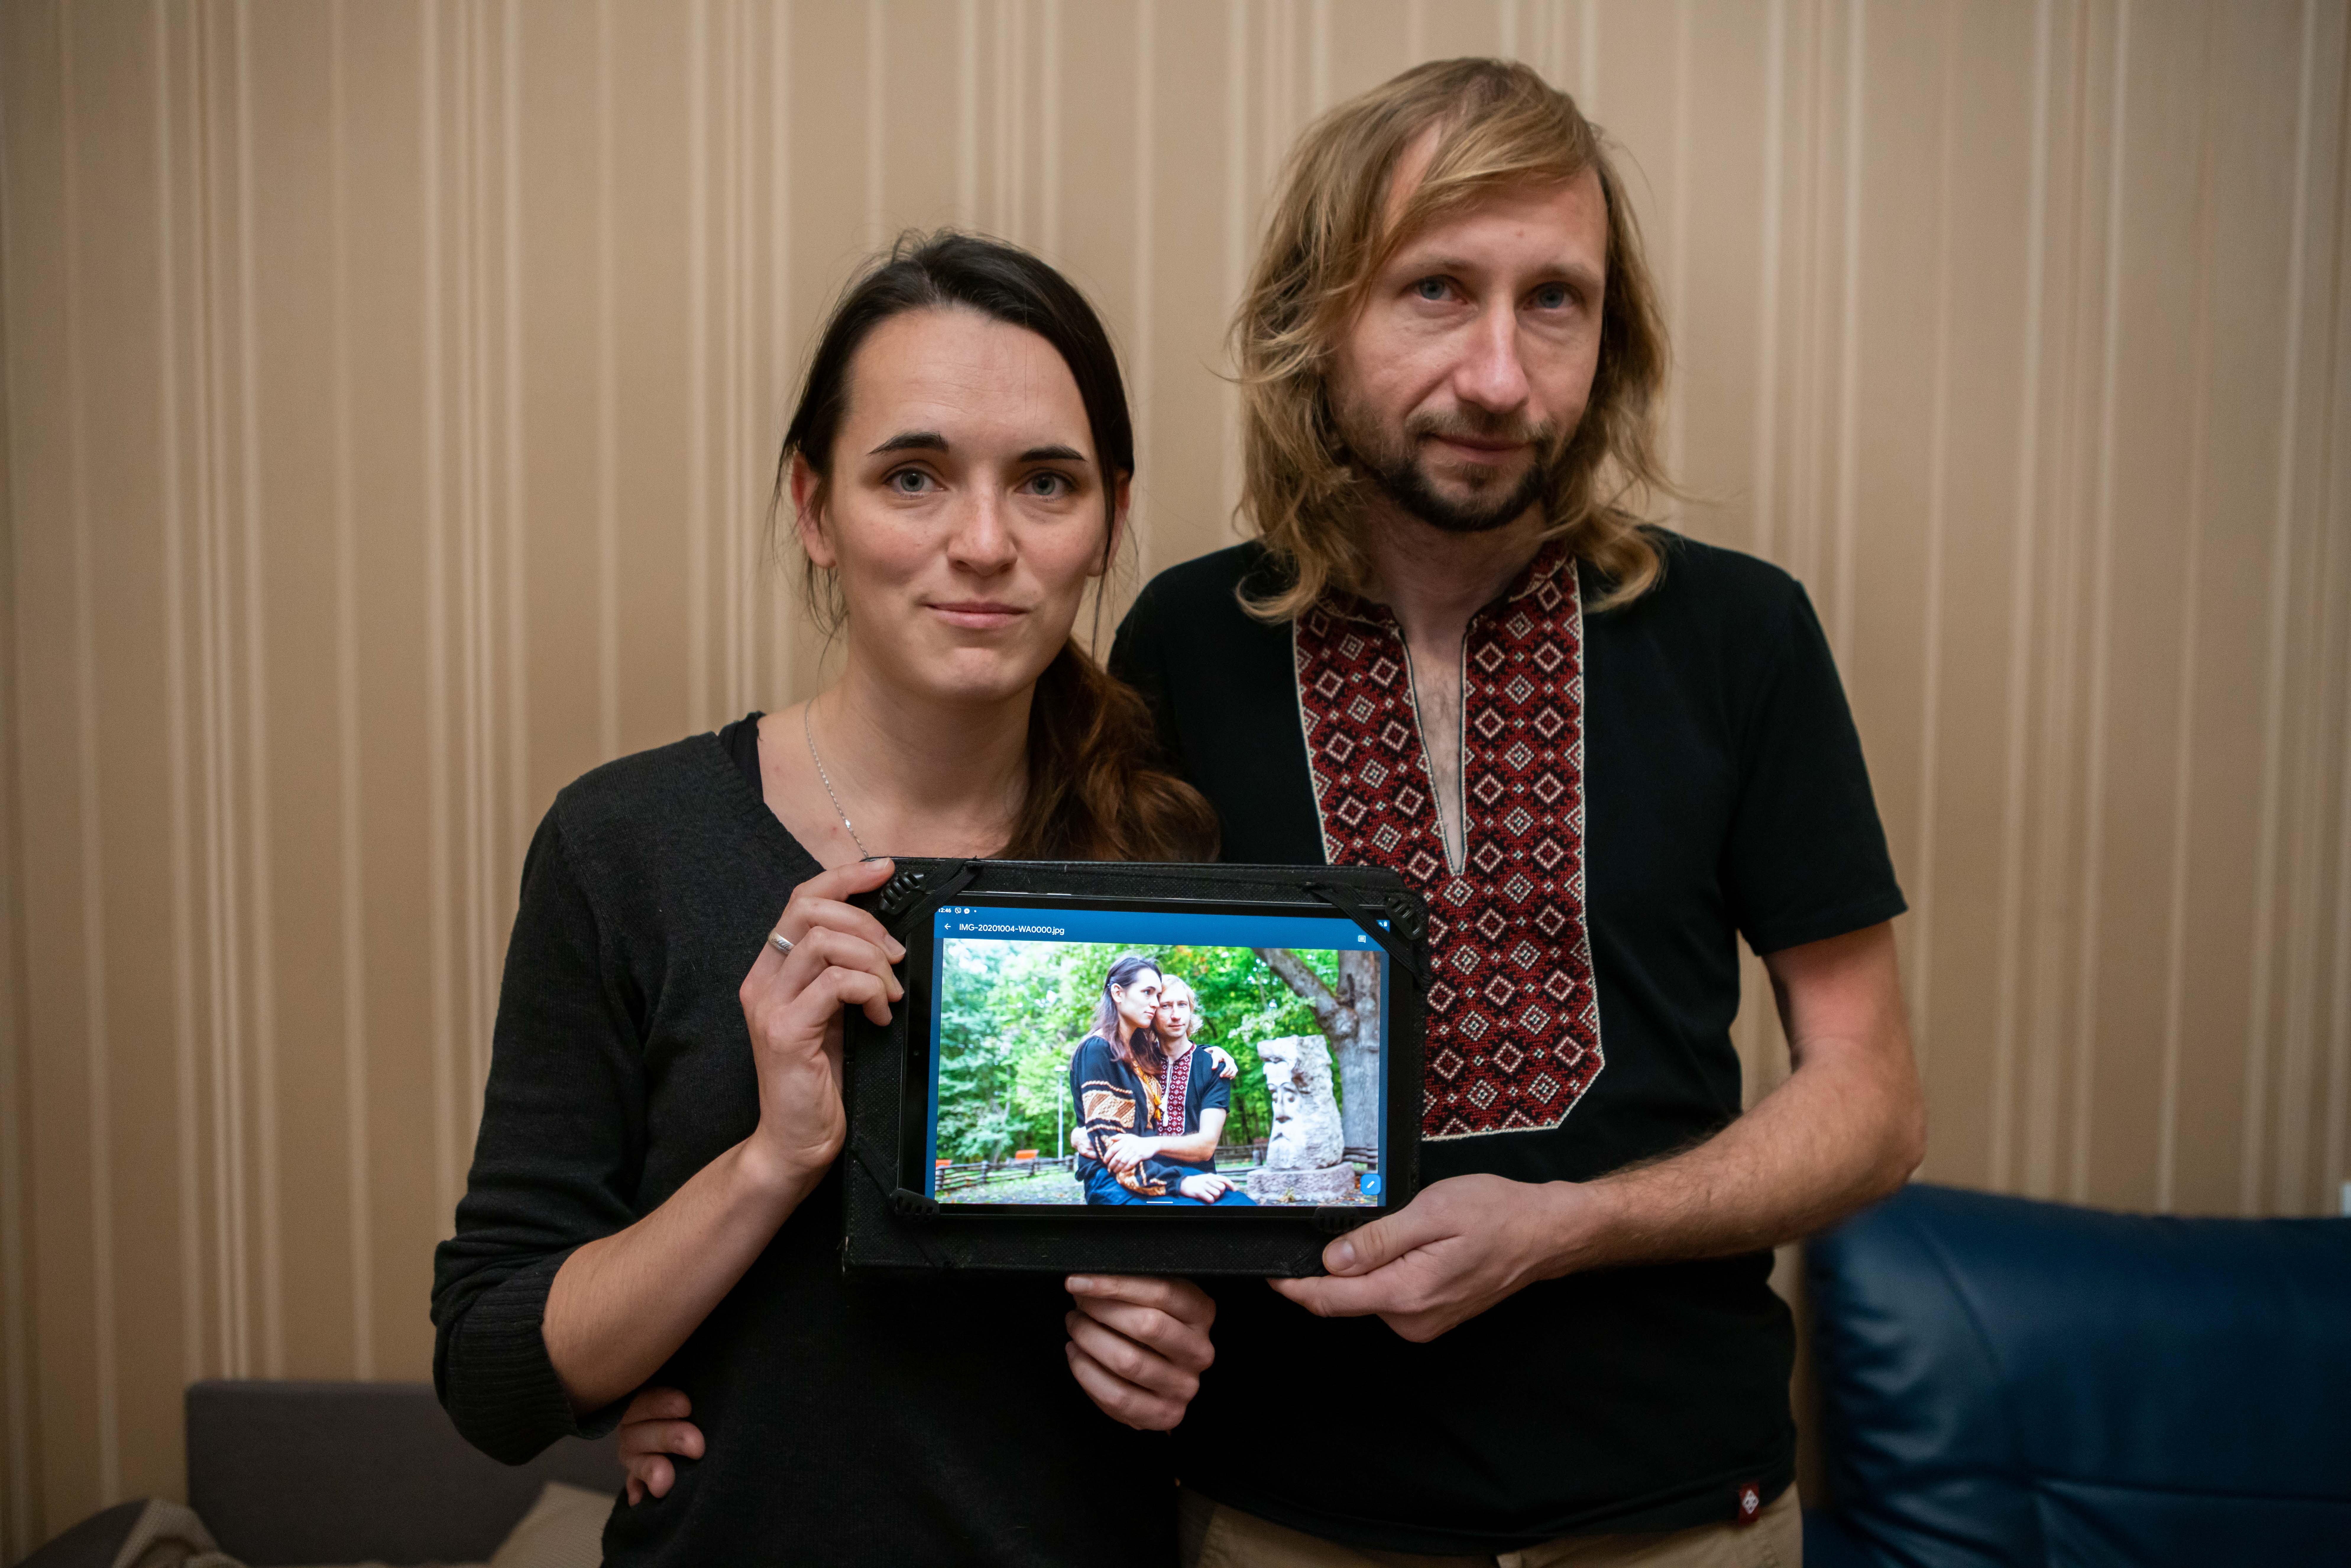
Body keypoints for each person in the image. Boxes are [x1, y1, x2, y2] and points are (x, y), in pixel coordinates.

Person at [1108, 59, 1928, 1566]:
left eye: (1555, 300)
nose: (1500, 375)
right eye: (1435, 289)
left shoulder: (1741, 637)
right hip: (1285, 1515)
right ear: (1318, 317)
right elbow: (1108, 1068)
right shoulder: (1180, 647)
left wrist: (1571, 1225)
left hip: (1684, 1512)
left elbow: (1873, 1100)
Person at [432, 232, 1225, 1566]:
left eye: (1044, 483)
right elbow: (498, 1379)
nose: (982, 543)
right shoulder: (625, 845)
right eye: (912, 477)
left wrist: (1194, 1344)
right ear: (812, 506)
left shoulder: (1170, 861)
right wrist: (768, 1164)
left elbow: (1273, 1289)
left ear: (1105, 525)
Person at [1069, 959, 1254, 1206]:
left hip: (1177, 1173)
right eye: (1162, 1003)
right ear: (1118, 993)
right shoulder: (1116, 1052)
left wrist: (1149, 1147)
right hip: (1129, 1180)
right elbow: (1107, 1134)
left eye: (1182, 1005)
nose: (1172, 1013)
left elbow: (1206, 1144)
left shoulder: (1204, 1065)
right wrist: (1080, 1133)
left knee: (1242, 1207)